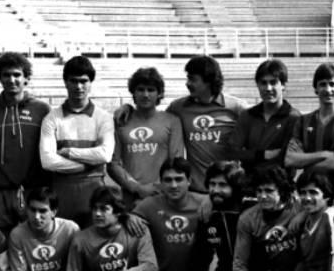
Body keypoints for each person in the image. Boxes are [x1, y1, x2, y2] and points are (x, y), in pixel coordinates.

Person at [0, 52, 51, 232]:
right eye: (6, 75)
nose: (12, 80)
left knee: (33, 246)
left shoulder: (42, 110)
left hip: (33, 192)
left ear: (26, 78)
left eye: (17, 74)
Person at [40, 56, 115, 228]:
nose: (79, 87)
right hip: (62, 194)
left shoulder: (103, 117)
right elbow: (48, 161)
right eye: (73, 81)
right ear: (65, 82)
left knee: (94, 246)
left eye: (84, 81)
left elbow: (105, 154)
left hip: (95, 195)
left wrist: (69, 152)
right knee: (64, 247)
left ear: (91, 82)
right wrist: (86, 165)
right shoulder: (52, 118)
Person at [179, 161, 247, 271]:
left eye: (223, 185)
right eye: (212, 184)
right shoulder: (208, 213)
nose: (216, 190)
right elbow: (202, 251)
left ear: (235, 186)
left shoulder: (250, 209)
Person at [232, 165, 300, 271]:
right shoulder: (248, 218)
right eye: (259, 190)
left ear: (283, 191)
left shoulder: (300, 209)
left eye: (269, 190)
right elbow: (240, 263)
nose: (262, 196)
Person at [167, 55, 247, 192]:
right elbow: (154, 120)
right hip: (196, 189)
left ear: (209, 81)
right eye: (188, 78)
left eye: (192, 79)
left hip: (228, 190)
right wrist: (128, 109)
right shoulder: (178, 108)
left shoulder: (236, 107)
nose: (187, 83)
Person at [284, 63, 334, 205]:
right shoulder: (303, 121)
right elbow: (290, 160)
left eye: (332, 84)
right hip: (309, 195)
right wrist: (324, 154)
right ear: (316, 89)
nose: (328, 89)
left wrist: (305, 163)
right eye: (322, 84)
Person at [108, 67, 185, 207]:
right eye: (141, 89)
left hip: (163, 196)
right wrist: (137, 188)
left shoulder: (172, 121)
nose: (145, 94)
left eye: (151, 90)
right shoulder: (121, 121)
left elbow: (176, 161)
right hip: (130, 198)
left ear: (159, 94)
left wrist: (157, 188)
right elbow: (113, 164)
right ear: (133, 92)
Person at [229, 58, 301, 175]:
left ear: (283, 85)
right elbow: (232, 152)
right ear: (257, 85)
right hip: (249, 184)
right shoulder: (247, 116)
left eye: (273, 82)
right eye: (263, 83)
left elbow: (286, 156)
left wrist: (249, 154)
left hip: (280, 186)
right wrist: (263, 154)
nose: (268, 88)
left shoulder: (293, 117)